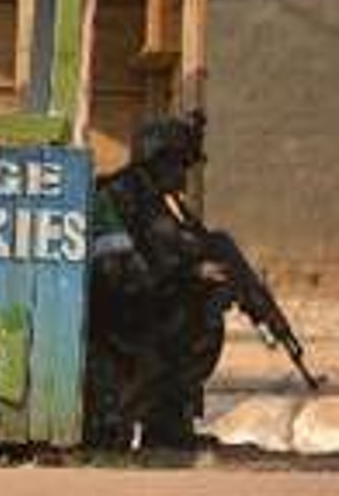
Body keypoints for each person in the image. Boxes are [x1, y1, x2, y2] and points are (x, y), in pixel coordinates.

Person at [85, 111, 228, 450]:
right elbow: (120, 277)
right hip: (110, 321)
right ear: (156, 160)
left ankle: (167, 424)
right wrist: (189, 275)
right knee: (189, 321)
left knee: (203, 314)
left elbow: (174, 251)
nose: (182, 177)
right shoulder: (115, 196)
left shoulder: (155, 201)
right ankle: (117, 418)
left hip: (136, 310)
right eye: (178, 165)